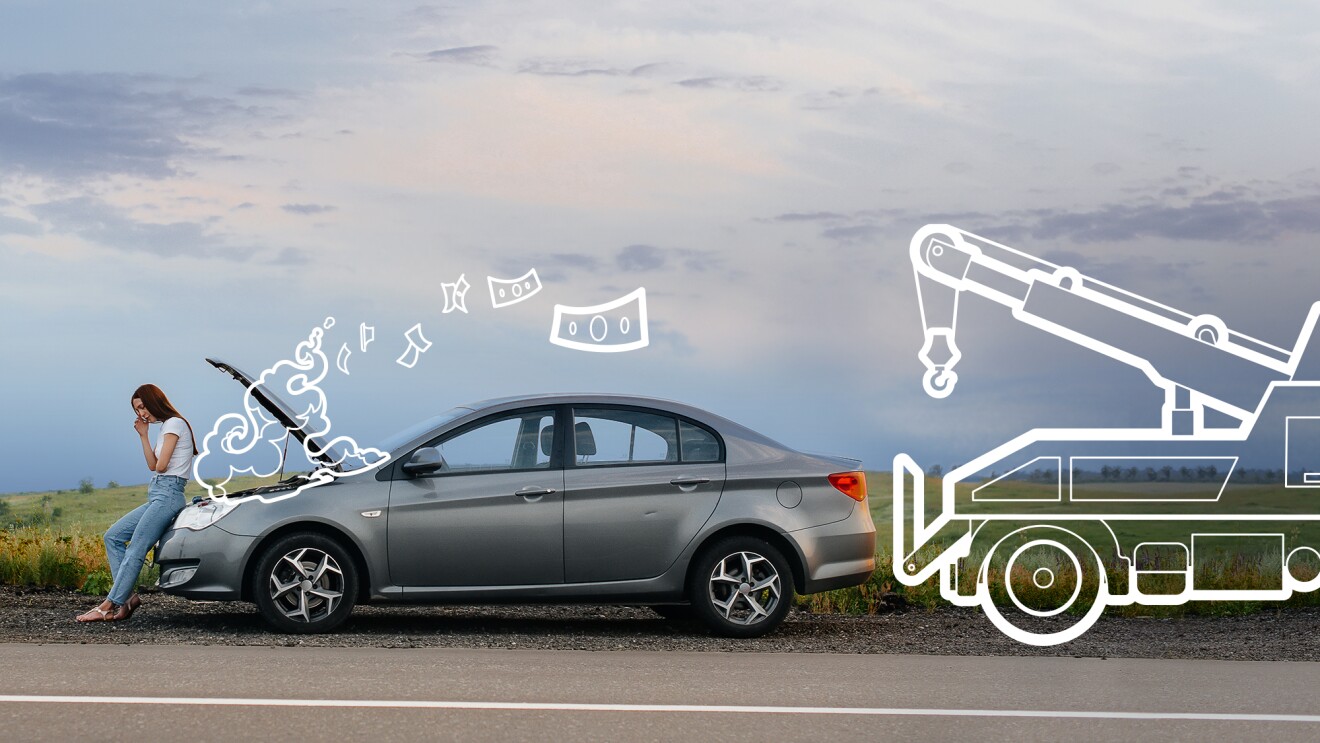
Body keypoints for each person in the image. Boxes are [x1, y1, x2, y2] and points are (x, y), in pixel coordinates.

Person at [77, 384, 197, 623]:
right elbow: (152, 466)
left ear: (154, 400)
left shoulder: (174, 423)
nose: (141, 413)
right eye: (137, 409)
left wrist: (156, 450)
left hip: (169, 494)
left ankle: (109, 605)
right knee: (113, 536)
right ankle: (128, 599)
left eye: (143, 406)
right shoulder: (165, 427)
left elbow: (162, 466)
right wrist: (144, 435)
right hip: (158, 494)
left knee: (136, 548)